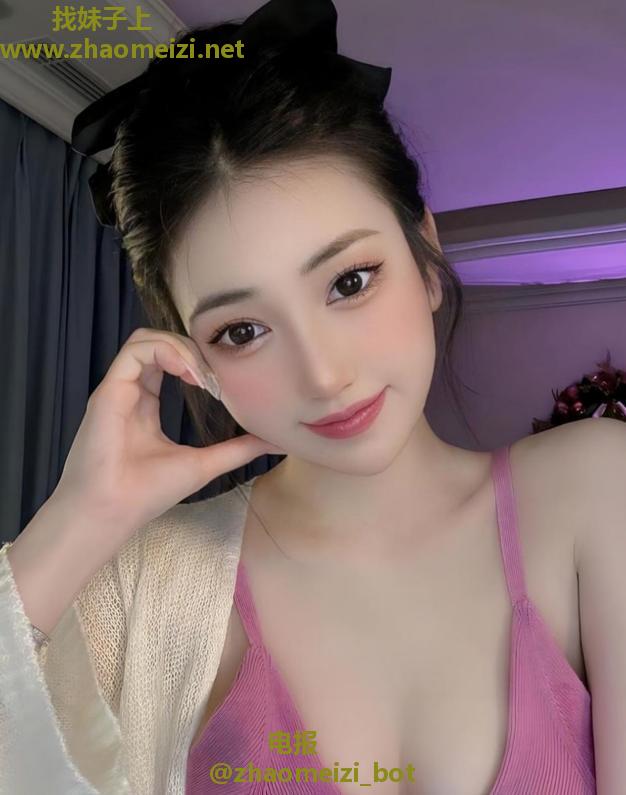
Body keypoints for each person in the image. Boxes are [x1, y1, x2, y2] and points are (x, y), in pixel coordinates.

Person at [1, 0, 623, 793]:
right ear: (190, 353)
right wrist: (76, 520)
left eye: (350, 281)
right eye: (243, 330)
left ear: (424, 252)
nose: (324, 375)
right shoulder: (152, 580)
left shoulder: (593, 488)